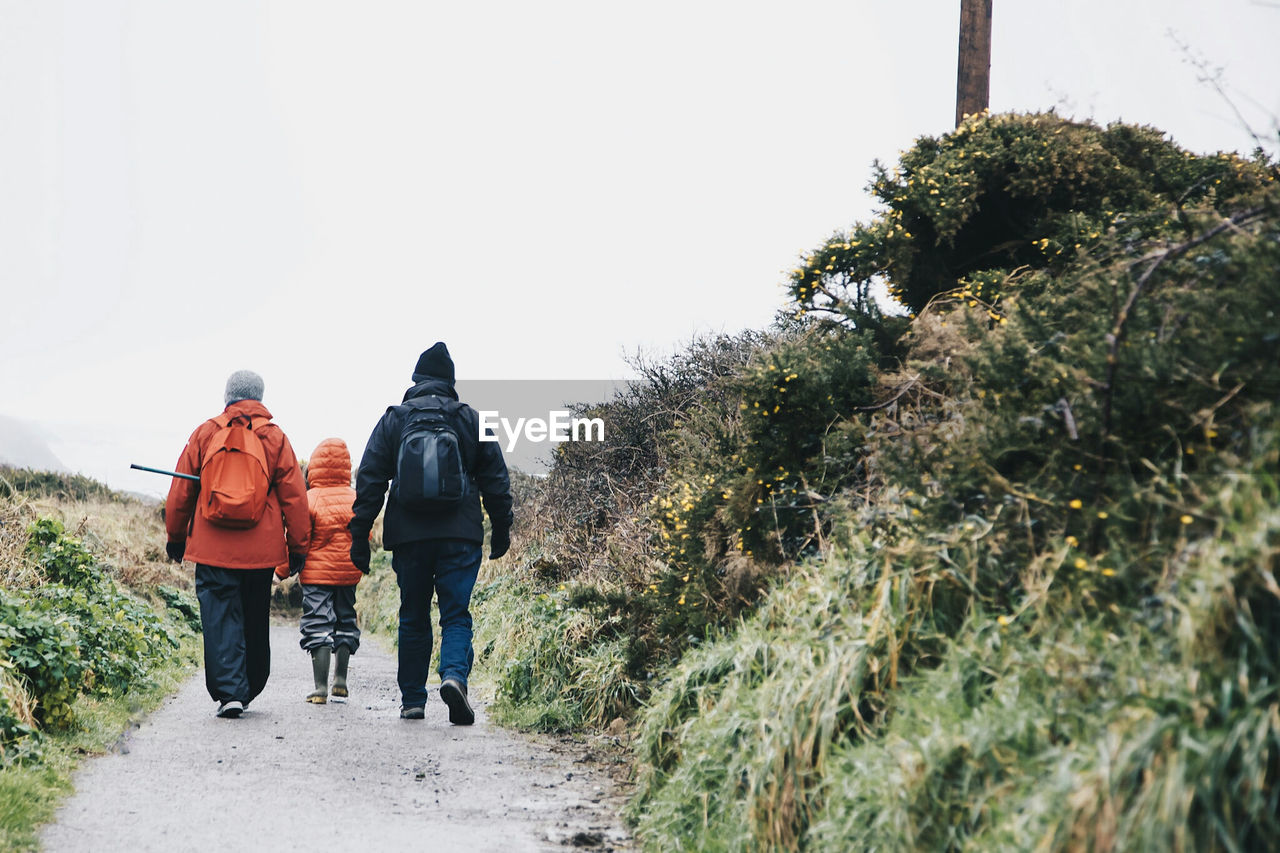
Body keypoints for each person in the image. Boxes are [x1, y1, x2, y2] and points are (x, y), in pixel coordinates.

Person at [349, 342, 513, 723]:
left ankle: (412, 700)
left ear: (417, 379)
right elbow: (496, 480)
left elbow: (370, 480)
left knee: (413, 615)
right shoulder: (469, 418)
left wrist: (359, 536)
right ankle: (454, 676)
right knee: (456, 614)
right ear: (450, 382)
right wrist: (502, 529)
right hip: (461, 535)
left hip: (410, 537)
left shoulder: (395, 419)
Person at [165, 370, 310, 718]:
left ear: (227, 396)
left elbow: (181, 492)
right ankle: (250, 684)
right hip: (260, 552)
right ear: (259, 397)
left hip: (212, 548)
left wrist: (176, 537)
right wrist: (298, 547)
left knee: (218, 618)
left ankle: (229, 691)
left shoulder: (205, 432)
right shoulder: (274, 437)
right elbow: (295, 497)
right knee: (253, 616)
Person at [275, 438, 363, 704]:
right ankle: (341, 681)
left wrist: (282, 571)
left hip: (316, 576)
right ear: (345, 467)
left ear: (314, 468)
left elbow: (298, 539)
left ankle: (320, 688)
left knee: (318, 622)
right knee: (345, 619)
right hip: (348, 573)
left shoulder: (309, 499)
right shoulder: (356, 499)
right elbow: (365, 534)